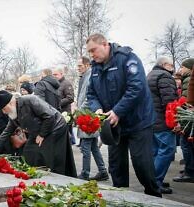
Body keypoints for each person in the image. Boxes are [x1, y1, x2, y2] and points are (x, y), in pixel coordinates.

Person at [86, 33, 161, 197]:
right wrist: (97, 109)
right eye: (89, 52)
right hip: (114, 125)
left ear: (105, 44)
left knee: (143, 165)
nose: (91, 54)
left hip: (138, 122)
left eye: (93, 50)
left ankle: (155, 197)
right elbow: (91, 94)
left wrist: (118, 111)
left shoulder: (127, 58)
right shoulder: (95, 68)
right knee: (116, 167)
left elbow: (137, 87)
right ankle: (121, 198)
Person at [0, 90, 77, 177]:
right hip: (38, 131)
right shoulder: (13, 112)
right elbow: (7, 131)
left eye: (4, 109)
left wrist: (42, 135)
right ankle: (35, 174)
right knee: (28, 151)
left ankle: (54, 176)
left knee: (47, 154)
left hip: (55, 127)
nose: (4, 112)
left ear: (10, 103)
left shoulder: (30, 100)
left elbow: (49, 116)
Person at [147, 57, 178, 194]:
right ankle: (155, 183)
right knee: (167, 150)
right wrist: (175, 121)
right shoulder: (165, 76)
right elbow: (170, 101)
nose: (173, 68)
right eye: (171, 65)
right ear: (164, 65)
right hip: (163, 121)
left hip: (151, 121)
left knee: (155, 152)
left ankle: (153, 180)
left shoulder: (149, 75)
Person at [76, 56, 109, 181]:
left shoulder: (90, 76)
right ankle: (103, 171)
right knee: (94, 147)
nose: (78, 68)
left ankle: (85, 173)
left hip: (88, 116)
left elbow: (89, 97)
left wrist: (79, 111)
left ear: (87, 65)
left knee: (86, 147)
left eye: (80, 66)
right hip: (87, 115)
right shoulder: (85, 76)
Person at [173, 58, 194, 183]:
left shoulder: (188, 79)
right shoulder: (186, 79)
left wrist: (180, 120)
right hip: (188, 117)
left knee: (185, 144)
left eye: (183, 67)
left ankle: (190, 171)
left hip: (188, 118)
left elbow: (186, 101)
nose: (181, 69)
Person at [52, 68, 75, 144]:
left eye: (56, 74)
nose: (54, 76)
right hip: (57, 113)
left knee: (67, 137)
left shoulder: (66, 83)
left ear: (62, 74)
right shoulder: (54, 84)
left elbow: (70, 98)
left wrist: (57, 103)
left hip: (66, 114)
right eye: (53, 74)